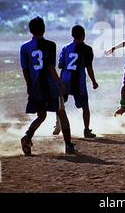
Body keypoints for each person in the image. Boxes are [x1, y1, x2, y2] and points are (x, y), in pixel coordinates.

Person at [19, 17, 77, 156]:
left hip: (35, 86)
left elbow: (25, 69)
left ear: (30, 30)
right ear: (43, 29)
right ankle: (68, 145)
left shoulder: (24, 47)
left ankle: (27, 137)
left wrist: (29, 85)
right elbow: (51, 67)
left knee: (41, 115)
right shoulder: (50, 45)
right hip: (50, 86)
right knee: (61, 113)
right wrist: (60, 83)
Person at [53, 25, 99, 138]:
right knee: (85, 107)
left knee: (60, 105)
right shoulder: (87, 49)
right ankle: (86, 130)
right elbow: (89, 68)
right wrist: (94, 81)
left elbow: (60, 65)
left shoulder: (65, 48)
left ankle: (57, 125)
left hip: (64, 80)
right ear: (84, 35)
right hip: (79, 82)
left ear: (72, 35)